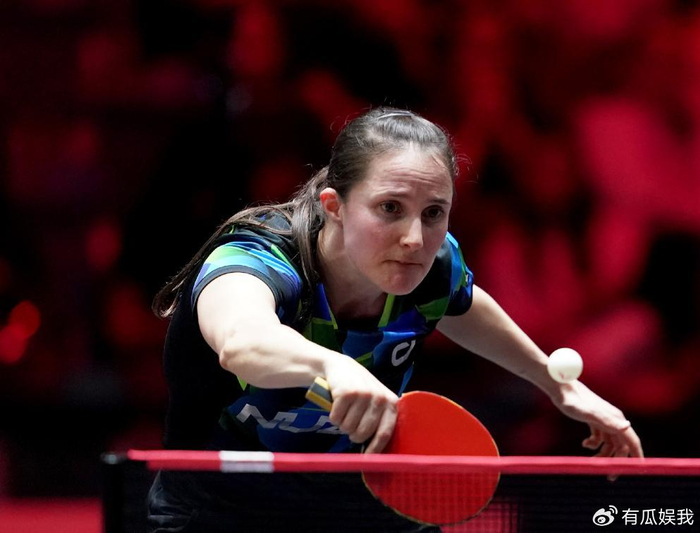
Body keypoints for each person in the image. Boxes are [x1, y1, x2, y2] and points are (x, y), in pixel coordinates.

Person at [146, 107, 643, 532]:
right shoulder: (256, 259)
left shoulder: (432, 267)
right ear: (335, 206)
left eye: (434, 213)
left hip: (361, 504)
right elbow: (241, 341)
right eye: (389, 208)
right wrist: (336, 366)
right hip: (219, 509)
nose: (414, 238)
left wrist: (558, 386)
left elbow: (461, 304)